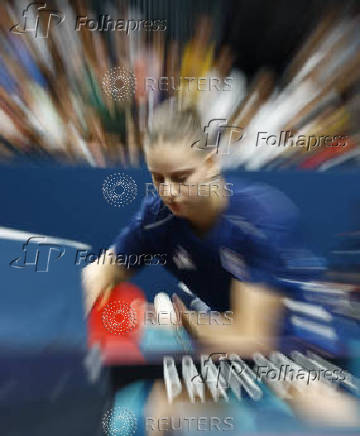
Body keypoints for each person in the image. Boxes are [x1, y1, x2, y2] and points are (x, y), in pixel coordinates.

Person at [82, 101, 314, 354]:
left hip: (304, 349)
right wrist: (78, 303)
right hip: (231, 349)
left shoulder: (260, 220)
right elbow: (104, 271)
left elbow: (252, 339)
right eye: (158, 178)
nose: (168, 192)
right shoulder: (158, 216)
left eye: (181, 178)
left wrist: (188, 322)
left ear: (211, 163)